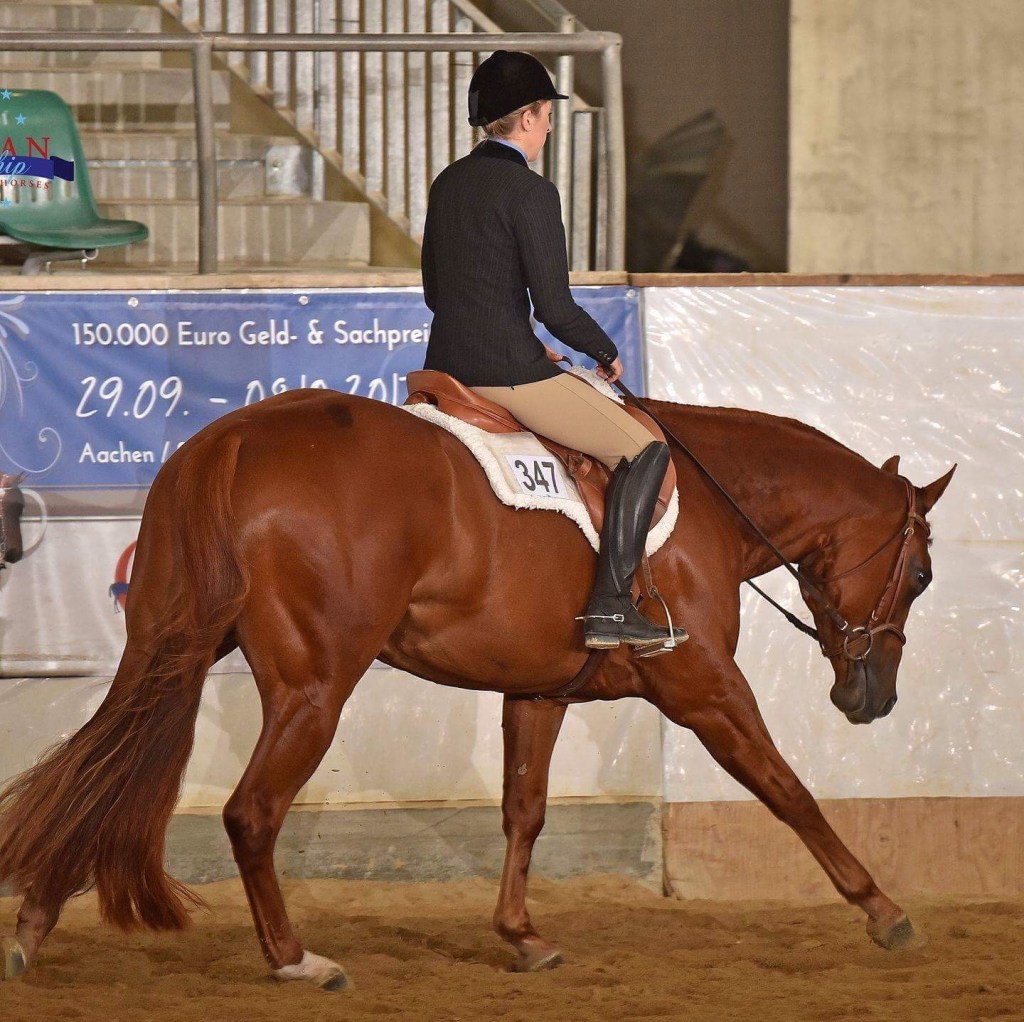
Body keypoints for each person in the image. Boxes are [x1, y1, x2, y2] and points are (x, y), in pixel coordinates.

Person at [420, 50, 685, 652]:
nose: (547, 127)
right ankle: (613, 606)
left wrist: (530, 340)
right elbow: (556, 307)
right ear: (528, 116)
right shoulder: (531, 192)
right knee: (644, 448)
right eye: (544, 116)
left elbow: (439, 292)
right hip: (506, 376)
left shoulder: (448, 182)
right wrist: (603, 351)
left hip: (445, 368)